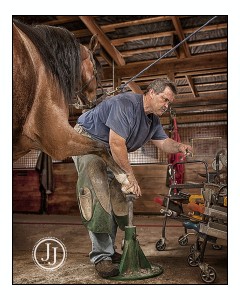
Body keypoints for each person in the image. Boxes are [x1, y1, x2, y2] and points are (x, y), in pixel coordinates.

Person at [72, 78, 193, 278]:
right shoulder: (125, 104)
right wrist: (130, 175)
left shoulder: (152, 120)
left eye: (169, 102)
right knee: (98, 192)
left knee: (117, 197)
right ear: (151, 93)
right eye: (164, 99)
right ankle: (101, 257)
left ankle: (109, 252)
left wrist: (180, 147)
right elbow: (117, 143)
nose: (166, 105)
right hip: (87, 141)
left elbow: (164, 143)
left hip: (108, 151)